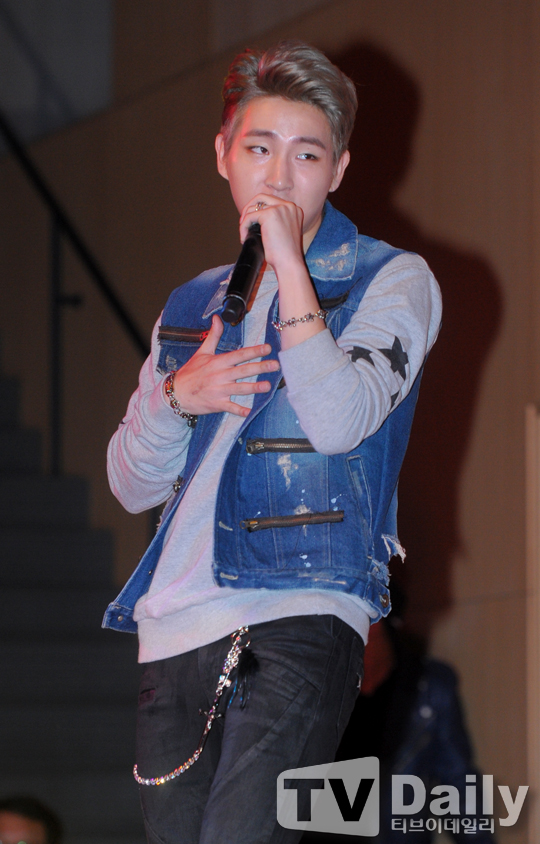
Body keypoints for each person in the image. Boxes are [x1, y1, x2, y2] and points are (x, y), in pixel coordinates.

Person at [104, 40, 442, 844]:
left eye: (307, 154)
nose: (280, 176)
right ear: (223, 154)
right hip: (175, 626)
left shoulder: (391, 280)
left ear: (339, 169)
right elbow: (131, 482)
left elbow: (338, 421)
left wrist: (291, 268)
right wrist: (179, 398)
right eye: (259, 149)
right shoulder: (191, 306)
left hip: (302, 608)